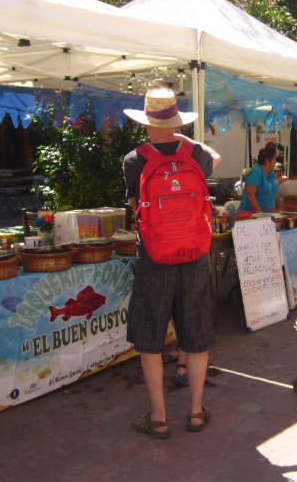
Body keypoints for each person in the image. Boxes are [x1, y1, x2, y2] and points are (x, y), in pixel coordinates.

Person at [122, 87, 221, 439]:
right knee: (195, 333)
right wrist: (181, 138)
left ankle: (159, 418)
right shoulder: (195, 153)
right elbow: (217, 158)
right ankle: (195, 413)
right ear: (175, 120)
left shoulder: (134, 160)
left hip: (153, 256)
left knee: (150, 337)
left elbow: (135, 203)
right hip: (194, 254)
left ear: (146, 121)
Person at [238, 146, 279, 214]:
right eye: (274, 159)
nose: (275, 162)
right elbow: (250, 194)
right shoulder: (256, 172)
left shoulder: (271, 173)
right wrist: (260, 214)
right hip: (250, 218)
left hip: (267, 218)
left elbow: (276, 194)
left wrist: (282, 211)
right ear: (267, 161)